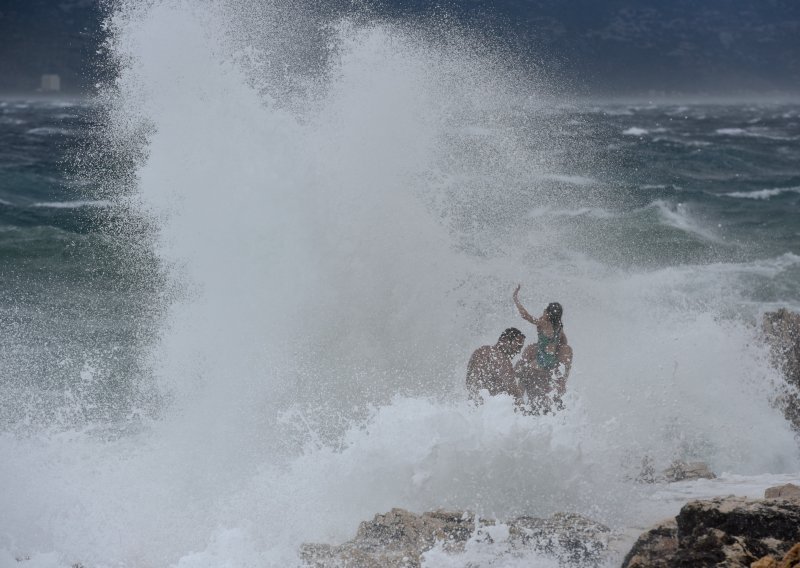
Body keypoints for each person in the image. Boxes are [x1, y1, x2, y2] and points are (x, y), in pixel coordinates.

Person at [512, 285, 573, 413]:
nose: (543, 311)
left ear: (548, 313)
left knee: (523, 372)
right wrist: (553, 347)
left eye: (546, 310)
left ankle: (518, 401)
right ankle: (560, 388)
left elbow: (525, 316)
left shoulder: (543, 323)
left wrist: (516, 299)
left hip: (540, 362)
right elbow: (564, 342)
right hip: (553, 362)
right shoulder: (559, 327)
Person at [466, 327, 525, 403]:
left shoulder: (479, 352)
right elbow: (514, 394)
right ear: (504, 340)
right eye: (518, 346)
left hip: (472, 405)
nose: (518, 351)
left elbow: (469, 381)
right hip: (491, 409)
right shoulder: (504, 361)